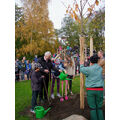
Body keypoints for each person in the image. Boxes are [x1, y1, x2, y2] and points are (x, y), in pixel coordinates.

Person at [80, 55, 104, 120]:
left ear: (91, 62)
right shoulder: (101, 68)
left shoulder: (89, 69)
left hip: (91, 90)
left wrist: (81, 64)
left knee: (93, 108)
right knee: (99, 107)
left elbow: (82, 69)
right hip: (100, 90)